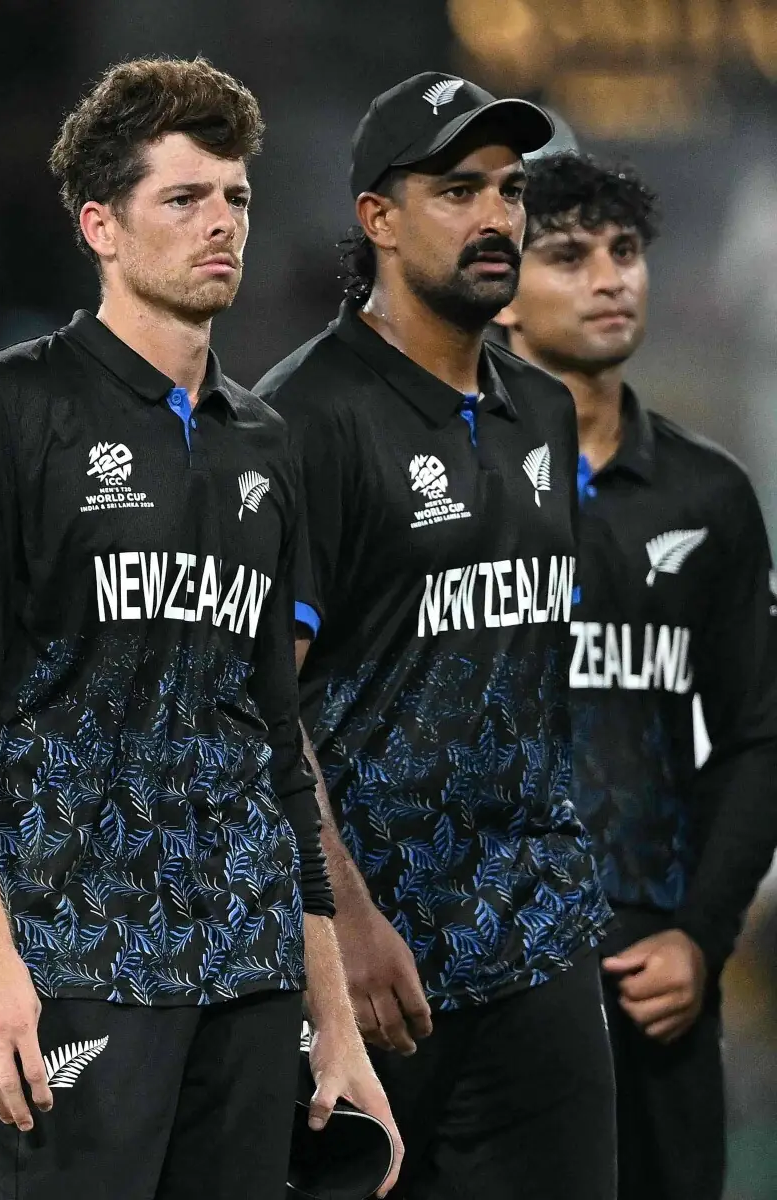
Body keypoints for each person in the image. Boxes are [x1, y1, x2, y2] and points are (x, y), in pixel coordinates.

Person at [0, 57, 398, 1200]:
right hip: (76, 961)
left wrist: (330, 1015)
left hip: (250, 974)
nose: (220, 223)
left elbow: (275, 736)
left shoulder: (261, 442)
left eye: (234, 197)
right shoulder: (7, 406)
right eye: (183, 198)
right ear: (99, 227)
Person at [258, 74, 617, 1199]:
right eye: (458, 191)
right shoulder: (301, 420)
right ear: (377, 217)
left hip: (539, 943)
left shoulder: (542, 411)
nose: (496, 217)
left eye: (509, 191)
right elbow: (259, 701)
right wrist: (342, 923)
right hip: (378, 973)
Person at [496, 151, 777, 1200]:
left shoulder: (708, 497)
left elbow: (757, 732)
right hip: (474, 983)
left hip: (650, 978)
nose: (610, 278)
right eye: (568, 257)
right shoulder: (444, 486)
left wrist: (701, 937)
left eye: (624, 252)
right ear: (503, 295)